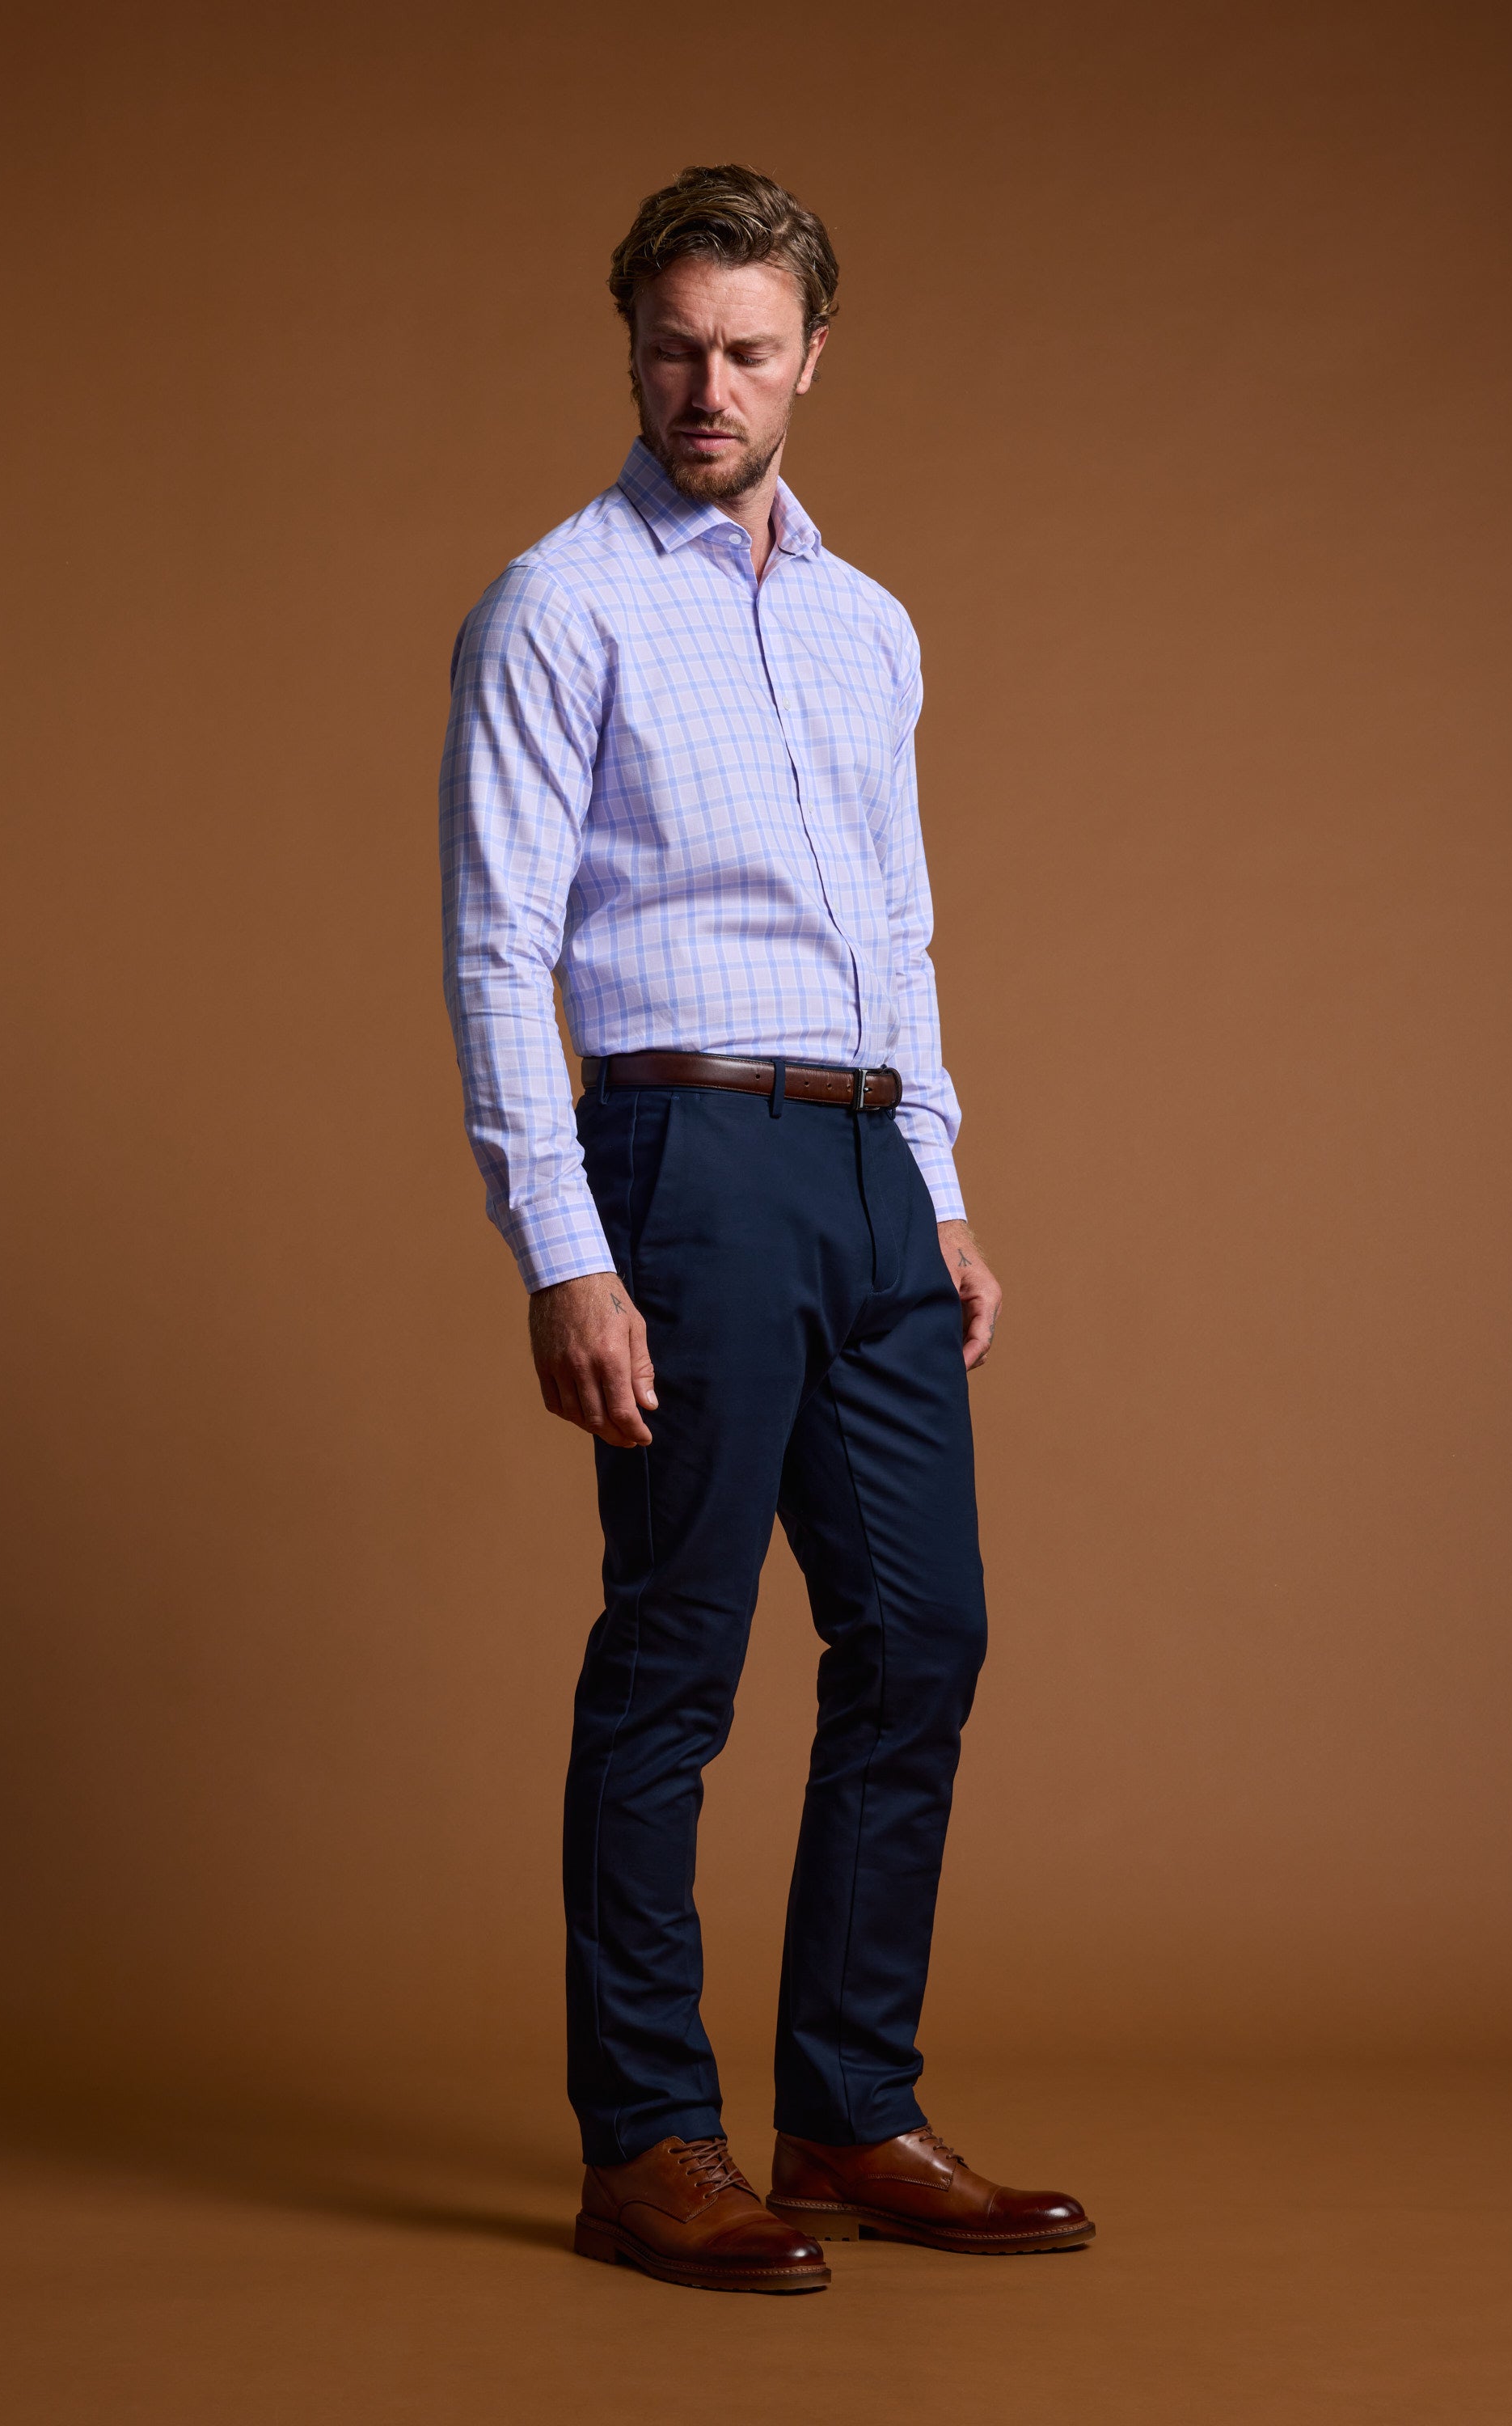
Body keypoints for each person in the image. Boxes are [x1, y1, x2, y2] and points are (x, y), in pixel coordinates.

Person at [439, 163, 1092, 2294]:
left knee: (920, 1633)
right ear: (627, 346)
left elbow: (893, 923)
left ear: (813, 353)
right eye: (669, 347)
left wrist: (947, 1189)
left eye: (743, 349)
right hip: (679, 1166)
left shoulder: (862, 617)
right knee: (679, 1658)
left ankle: (843, 2111)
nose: (703, 385)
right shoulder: (559, 603)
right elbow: (494, 943)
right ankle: (646, 2140)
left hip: (866, 1165)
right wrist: (562, 1248)